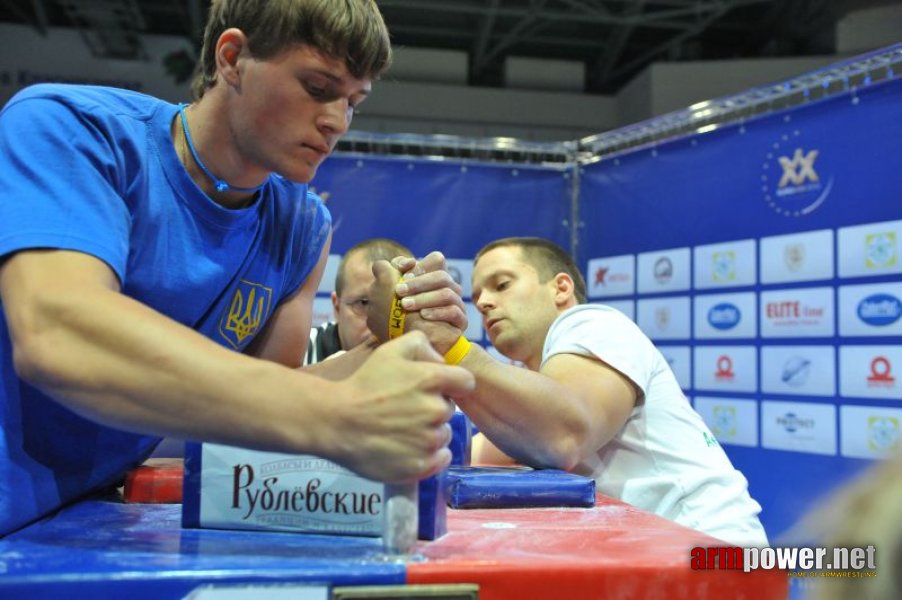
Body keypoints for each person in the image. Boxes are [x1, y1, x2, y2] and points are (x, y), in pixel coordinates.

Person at [0, 0, 472, 537]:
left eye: (353, 102)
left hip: (71, 522)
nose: (336, 121)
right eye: (319, 88)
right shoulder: (72, 130)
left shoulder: (303, 225)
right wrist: (335, 414)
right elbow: (58, 335)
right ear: (231, 58)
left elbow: (262, 398)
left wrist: (389, 347)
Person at [371, 237, 768, 547]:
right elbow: (464, 456)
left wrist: (449, 347)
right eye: (477, 297)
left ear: (561, 288)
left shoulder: (593, 323)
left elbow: (564, 435)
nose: (485, 302)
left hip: (709, 548)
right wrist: (399, 332)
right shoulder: (532, 384)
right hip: (658, 553)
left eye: (502, 284)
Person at [305, 238, 413, 365]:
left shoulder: (430, 352)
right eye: (364, 303)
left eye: (395, 306)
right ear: (337, 307)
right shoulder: (299, 352)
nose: (378, 324)